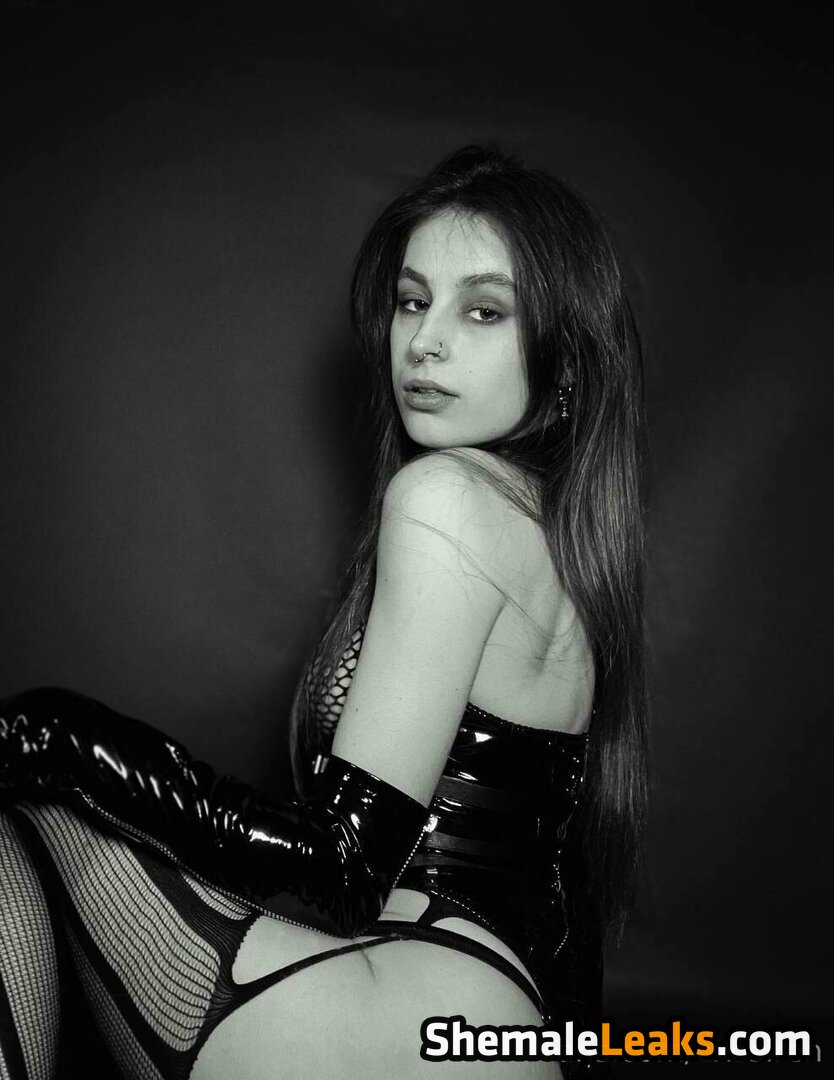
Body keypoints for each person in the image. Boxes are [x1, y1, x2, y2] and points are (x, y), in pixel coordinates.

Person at [0, 145, 647, 1079]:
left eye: (484, 310)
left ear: (569, 358)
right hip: (497, 1026)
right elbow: (561, 907)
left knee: (23, 801)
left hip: (418, 1011)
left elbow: (344, 868)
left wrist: (49, 737)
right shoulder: (558, 535)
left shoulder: (447, 500)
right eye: (414, 301)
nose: (424, 342)